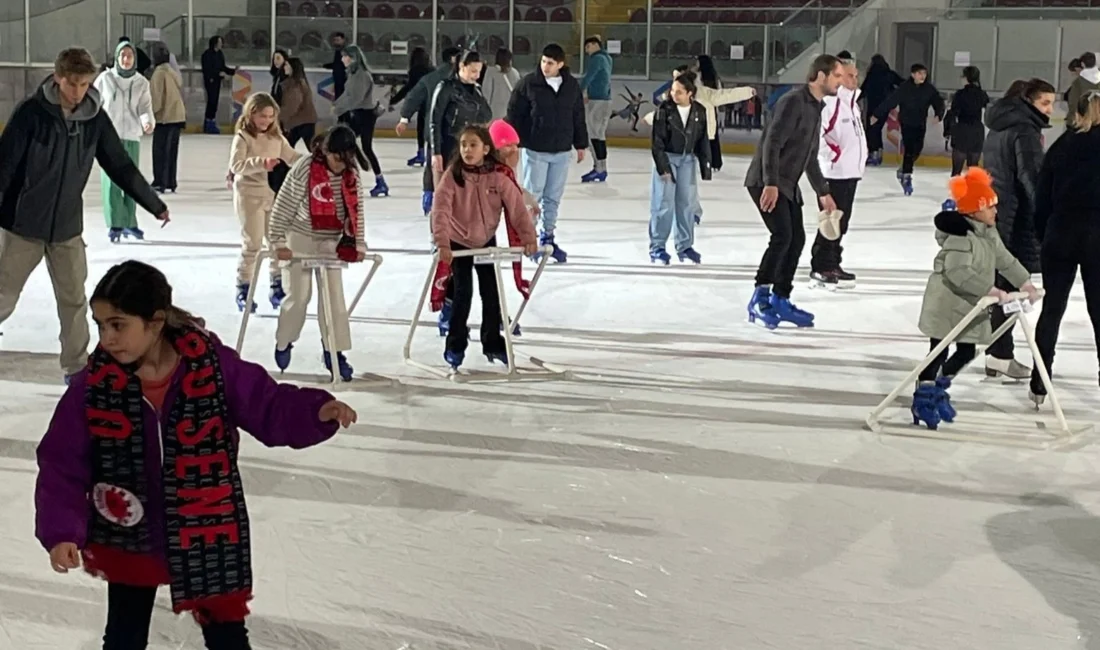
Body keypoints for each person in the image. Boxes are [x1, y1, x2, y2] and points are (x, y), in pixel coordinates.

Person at [34, 260, 357, 650]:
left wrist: (314, 411)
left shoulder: (211, 367)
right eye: (100, 325)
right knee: (124, 633)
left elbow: (266, 404)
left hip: (207, 523)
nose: (107, 337)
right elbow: (62, 462)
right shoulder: (94, 386)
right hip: (130, 530)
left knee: (227, 636)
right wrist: (61, 531)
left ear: (154, 323)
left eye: (118, 324)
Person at [0, 48, 167, 382]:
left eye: (84, 84)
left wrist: (152, 202)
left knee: (74, 301)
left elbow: (118, 163)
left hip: (66, 228)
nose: (77, 91)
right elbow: (4, 165)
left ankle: (76, 367)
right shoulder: (32, 113)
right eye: (72, 83)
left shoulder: (93, 118)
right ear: (58, 77)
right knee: (3, 294)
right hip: (22, 225)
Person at [912, 168, 1037, 429]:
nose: (995, 212)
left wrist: (1025, 281)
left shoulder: (988, 233)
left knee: (967, 351)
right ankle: (923, 397)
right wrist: (992, 292)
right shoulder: (961, 236)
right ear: (974, 210)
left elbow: (1004, 259)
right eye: (990, 207)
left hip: (969, 305)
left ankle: (939, 387)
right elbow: (957, 273)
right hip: (947, 305)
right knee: (938, 351)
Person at [744, 54, 842, 330]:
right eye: (836, 76)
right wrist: (771, 183)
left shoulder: (815, 107)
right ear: (821, 76)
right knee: (782, 236)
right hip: (767, 180)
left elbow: (810, 156)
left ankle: (780, 298)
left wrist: (822, 191)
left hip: (786, 183)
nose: (840, 82)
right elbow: (771, 143)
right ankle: (759, 297)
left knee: (796, 238)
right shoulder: (793, 102)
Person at [431, 125, 538, 370]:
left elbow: (517, 209)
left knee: (492, 295)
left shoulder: (498, 177)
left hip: (486, 243)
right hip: (459, 245)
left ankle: (493, 344)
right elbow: (441, 211)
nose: (467, 150)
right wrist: (442, 243)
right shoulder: (452, 175)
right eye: (463, 145)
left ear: (486, 149)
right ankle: (455, 346)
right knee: (462, 295)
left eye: (473, 145)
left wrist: (528, 237)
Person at [269, 126, 368, 381]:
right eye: (336, 159)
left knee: (334, 299)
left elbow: (357, 213)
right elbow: (284, 205)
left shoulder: (351, 175)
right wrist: (278, 241)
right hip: (299, 238)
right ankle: (284, 341)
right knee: (299, 298)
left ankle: (334, 352)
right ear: (326, 152)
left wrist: (358, 244)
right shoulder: (305, 168)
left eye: (345, 159)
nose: (339, 165)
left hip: (332, 242)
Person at [1028, 92, 1100, 406]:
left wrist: (1045, 234)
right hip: (1096, 235)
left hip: (1060, 233)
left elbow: (1041, 197)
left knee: (1052, 309)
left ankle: (1039, 382)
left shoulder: (1062, 146)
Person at [981, 77, 1055, 380]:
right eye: (1044, 103)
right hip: (1015, 216)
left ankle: (998, 352)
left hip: (998, 211)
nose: (1050, 109)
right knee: (1010, 286)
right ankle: (1000, 353)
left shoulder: (999, 126)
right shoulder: (1025, 130)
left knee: (1004, 285)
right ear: (1027, 100)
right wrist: (1046, 214)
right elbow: (1032, 177)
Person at [506, 43, 589, 264]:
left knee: (553, 198)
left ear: (561, 64)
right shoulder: (528, 84)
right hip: (536, 149)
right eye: (543, 61)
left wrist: (580, 144)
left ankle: (548, 237)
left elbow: (578, 115)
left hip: (561, 150)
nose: (545, 66)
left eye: (550, 63)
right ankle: (529, 240)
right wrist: (512, 141)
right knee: (533, 196)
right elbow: (514, 113)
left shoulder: (571, 86)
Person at [642, 63, 754, 224]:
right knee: (680, 182)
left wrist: (747, 92)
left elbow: (726, 95)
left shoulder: (704, 94)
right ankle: (688, 211)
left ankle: (693, 211)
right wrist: (648, 118)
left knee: (688, 182)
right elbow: (664, 114)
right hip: (677, 143)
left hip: (698, 140)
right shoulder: (674, 98)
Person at [229, 93, 302, 313]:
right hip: (248, 196)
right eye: (262, 116)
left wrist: (311, 161)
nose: (267, 121)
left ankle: (276, 285)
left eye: (270, 116)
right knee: (252, 243)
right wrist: (262, 163)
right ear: (251, 114)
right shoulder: (243, 137)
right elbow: (236, 166)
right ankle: (243, 287)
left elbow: (292, 157)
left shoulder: (277, 138)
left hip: (272, 197)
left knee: (277, 242)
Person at [809, 53, 864, 290]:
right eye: (849, 75)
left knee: (842, 222)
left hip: (849, 172)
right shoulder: (831, 104)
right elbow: (818, 136)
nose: (854, 80)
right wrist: (834, 154)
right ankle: (821, 265)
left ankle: (833, 262)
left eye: (855, 75)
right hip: (833, 173)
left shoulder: (852, 104)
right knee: (830, 222)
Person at [648, 72, 711, 265]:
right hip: (667, 158)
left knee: (686, 204)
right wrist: (663, 167)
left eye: (679, 92)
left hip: (687, 161)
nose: (674, 95)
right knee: (663, 204)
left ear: (690, 93)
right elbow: (656, 141)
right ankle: (657, 247)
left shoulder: (699, 111)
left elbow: (703, 140)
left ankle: (685, 246)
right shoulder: (663, 110)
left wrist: (706, 165)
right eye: (673, 91)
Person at [95, 40, 155, 243]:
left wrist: (147, 122)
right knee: (112, 182)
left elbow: (145, 107)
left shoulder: (141, 82)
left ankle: (130, 222)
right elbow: (95, 104)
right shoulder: (105, 79)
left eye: (130, 56)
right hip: (108, 137)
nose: (127, 59)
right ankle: (115, 223)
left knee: (131, 180)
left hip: (131, 135)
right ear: (117, 58)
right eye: (123, 56)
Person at [396, 46, 461, 216]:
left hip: (433, 131)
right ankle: (451, 200)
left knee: (432, 165)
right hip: (456, 132)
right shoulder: (460, 80)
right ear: (455, 59)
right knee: (455, 166)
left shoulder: (430, 78)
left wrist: (404, 118)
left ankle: (429, 196)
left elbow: (413, 97)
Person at [871, 63, 945, 196]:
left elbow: (938, 102)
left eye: (924, 73)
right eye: (919, 73)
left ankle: (903, 170)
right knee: (910, 149)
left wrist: (939, 114)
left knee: (918, 148)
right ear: (913, 74)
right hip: (906, 123)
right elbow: (890, 101)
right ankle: (906, 176)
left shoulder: (929, 89)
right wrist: (877, 114)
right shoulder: (904, 88)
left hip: (920, 123)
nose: (922, 76)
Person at [332, 44, 387, 198]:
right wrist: (337, 105)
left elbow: (356, 99)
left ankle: (380, 181)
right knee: (346, 143)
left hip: (366, 115)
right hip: (358, 113)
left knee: (365, 147)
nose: (342, 59)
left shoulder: (362, 75)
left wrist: (339, 109)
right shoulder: (353, 74)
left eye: (345, 56)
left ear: (353, 58)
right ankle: (349, 176)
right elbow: (347, 94)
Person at [429, 49, 492, 180]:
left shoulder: (476, 90)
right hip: (449, 145)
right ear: (462, 66)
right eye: (473, 71)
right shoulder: (446, 87)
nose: (477, 76)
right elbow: (435, 121)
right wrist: (436, 152)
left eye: (479, 71)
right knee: (446, 190)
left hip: (469, 147)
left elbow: (487, 115)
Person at [388, 47, 435, 166]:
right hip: (433, 101)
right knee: (431, 128)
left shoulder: (415, 71)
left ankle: (421, 153)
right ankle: (428, 153)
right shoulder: (432, 70)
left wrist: (394, 100)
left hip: (422, 101)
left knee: (421, 127)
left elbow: (409, 88)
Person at [149, 43, 186, 194]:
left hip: (165, 117)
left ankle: (159, 182)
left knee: (160, 151)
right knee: (172, 151)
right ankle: (171, 181)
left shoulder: (158, 73)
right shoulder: (172, 71)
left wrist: (150, 115)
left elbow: (156, 99)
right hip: (177, 116)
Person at [944, 66, 990, 176]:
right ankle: (972, 191)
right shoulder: (982, 94)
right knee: (973, 168)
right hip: (977, 131)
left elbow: (952, 114)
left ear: (966, 78)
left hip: (962, 131)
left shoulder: (960, 94)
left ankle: (957, 191)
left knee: (957, 170)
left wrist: (947, 131)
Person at [580, 36, 614, 183]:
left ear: (595, 45)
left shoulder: (597, 59)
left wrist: (580, 91)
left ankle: (600, 168)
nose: (587, 51)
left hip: (598, 100)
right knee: (598, 134)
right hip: (603, 99)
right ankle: (600, 167)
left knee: (595, 134)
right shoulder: (607, 58)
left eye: (588, 47)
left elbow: (589, 77)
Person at [859, 54, 903, 166]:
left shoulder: (872, 75)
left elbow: (863, 90)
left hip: (873, 107)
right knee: (876, 129)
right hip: (884, 107)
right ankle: (877, 153)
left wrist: (853, 100)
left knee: (872, 130)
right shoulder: (889, 74)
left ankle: (874, 153)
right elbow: (903, 83)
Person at [279, 57, 318, 148]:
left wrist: (278, 117)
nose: (284, 67)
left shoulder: (295, 85)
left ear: (293, 67)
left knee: (286, 148)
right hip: (302, 121)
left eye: (287, 65)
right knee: (288, 147)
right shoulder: (298, 82)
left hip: (301, 122)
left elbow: (292, 106)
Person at [200, 36, 236, 134]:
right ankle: (208, 123)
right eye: (220, 42)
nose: (221, 44)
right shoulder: (207, 55)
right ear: (215, 43)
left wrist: (232, 71)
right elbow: (207, 69)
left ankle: (211, 121)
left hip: (217, 81)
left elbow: (222, 67)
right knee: (211, 101)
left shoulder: (219, 54)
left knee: (214, 101)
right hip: (210, 81)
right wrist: (218, 74)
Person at [482, 47, 521, 122]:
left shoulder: (490, 72)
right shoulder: (515, 73)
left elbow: (486, 93)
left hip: (494, 114)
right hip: (510, 114)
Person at [1065, 51, 1099, 129]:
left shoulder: (1078, 83)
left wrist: (1071, 120)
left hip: (1083, 122)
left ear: (1082, 65)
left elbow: (1073, 103)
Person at [322, 32, 347, 99]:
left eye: (338, 40)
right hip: (337, 79)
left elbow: (341, 65)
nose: (336, 42)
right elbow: (337, 64)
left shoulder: (346, 51)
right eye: (335, 40)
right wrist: (325, 66)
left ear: (343, 40)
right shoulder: (338, 51)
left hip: (343, 80)